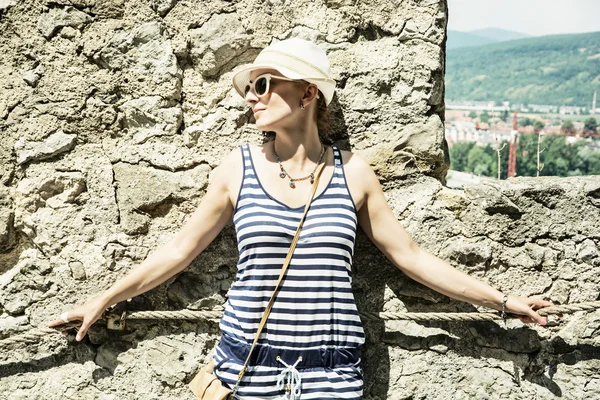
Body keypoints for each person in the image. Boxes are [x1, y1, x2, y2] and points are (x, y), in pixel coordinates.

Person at [49, 38, 551, 399]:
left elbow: (412, 258)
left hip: (331, 376)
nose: (252, 95)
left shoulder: (354, 174)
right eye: (250, 87)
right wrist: (105, 298)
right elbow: (179, 251)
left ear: (309, 93)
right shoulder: (236, 170)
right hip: (246, 370)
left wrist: (503, 301)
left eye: (266, 84)